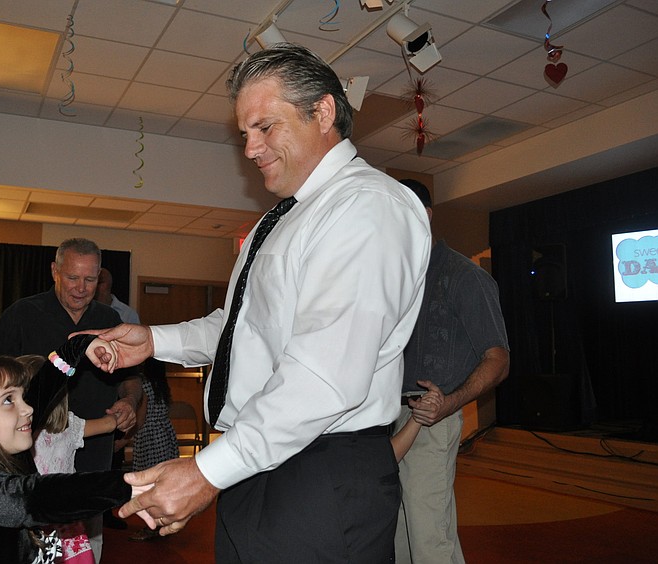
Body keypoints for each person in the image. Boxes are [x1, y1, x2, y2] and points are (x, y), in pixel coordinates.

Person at [84, 43, 431, 563]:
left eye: (265, 127)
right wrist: (155, 341)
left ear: (324, 112)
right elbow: (241, 325)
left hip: (321, 474)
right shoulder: (285, 217)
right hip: (264, 460)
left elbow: (325, 378)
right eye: (244, 133)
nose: (250, 148)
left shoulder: (367, 207)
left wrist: (206, 471)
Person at [0, 335, 153, 564]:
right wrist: (132, 485)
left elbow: (47, 384)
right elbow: (38, 497)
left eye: (22, 396)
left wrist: (80, 347)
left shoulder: (8, 449)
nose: (28, 409)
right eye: (9, 400)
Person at [0, 238, 143, 562]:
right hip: (36, 447)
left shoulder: (110, 320)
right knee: (32, 537)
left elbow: (132, 379)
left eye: (90, 279)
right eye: (72, 277)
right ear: (55, 272)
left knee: (87, 538)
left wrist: (129, 404)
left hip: (96, 446)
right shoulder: (23, 314)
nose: (81, 288)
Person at [393, 179, 510, 564]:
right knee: (396, 537)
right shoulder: (396, 279)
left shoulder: (465, 276)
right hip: (388, 420)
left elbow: (498, 359)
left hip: (432, 420)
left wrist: (449, 403)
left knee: (429, 539)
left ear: (425, 216)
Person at [33, 385, 121, 563]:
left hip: (35, 518)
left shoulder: (20, 433)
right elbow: (109, 424)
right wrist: (117, 414)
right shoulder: (70, 426)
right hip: (67, 520)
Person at [93, 266, 138, 530]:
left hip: (109, 406)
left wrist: (130, 402)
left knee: (111, 463)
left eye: (96, 282)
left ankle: (107, 511)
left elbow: (132, 376)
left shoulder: (124, 316)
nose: (90, 288)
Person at [128, 357, 180, 542]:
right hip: (165, 434)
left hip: (149, 438)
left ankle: (151, 526)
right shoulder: (162, 386)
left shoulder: (144, 385)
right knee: (163, 482)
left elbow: (140, 419)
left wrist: (126, 437)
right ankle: (165, 522)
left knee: (148, 485)